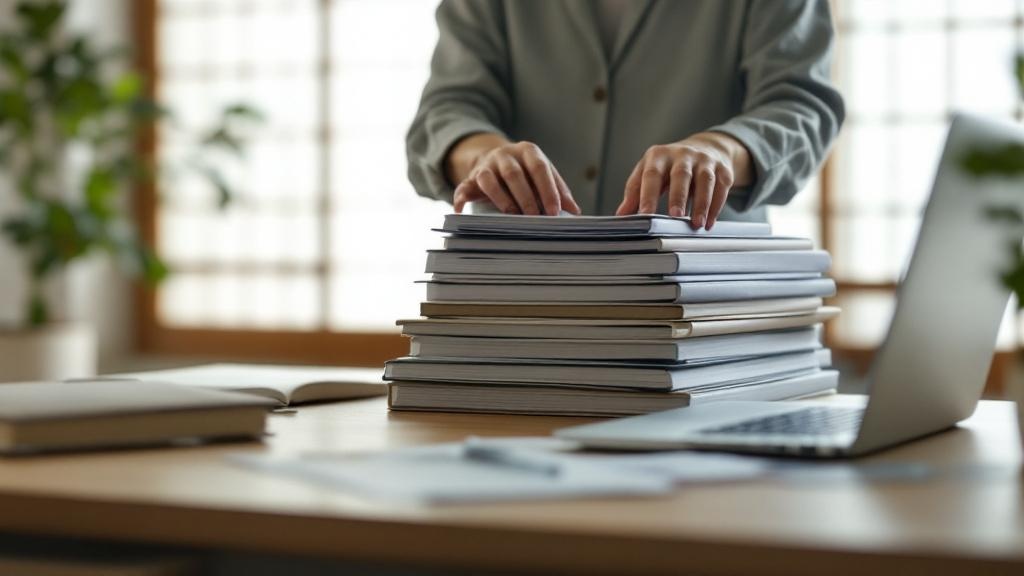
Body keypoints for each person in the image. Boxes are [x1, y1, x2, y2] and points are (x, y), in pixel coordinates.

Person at [406, 0, 844, 230]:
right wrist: (484, 156)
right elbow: (447, 108)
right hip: (520, 297)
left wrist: (721, 152)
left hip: (699, 299)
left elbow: (801, 105)